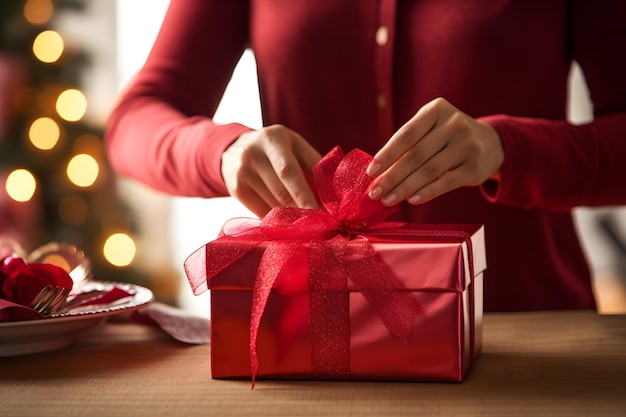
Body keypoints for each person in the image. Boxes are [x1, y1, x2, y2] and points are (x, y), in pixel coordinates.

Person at [104, 0, 626, 312]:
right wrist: (222, 152)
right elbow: (134, 123)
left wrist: (506, 148)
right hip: (311, 345)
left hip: (529, 341)